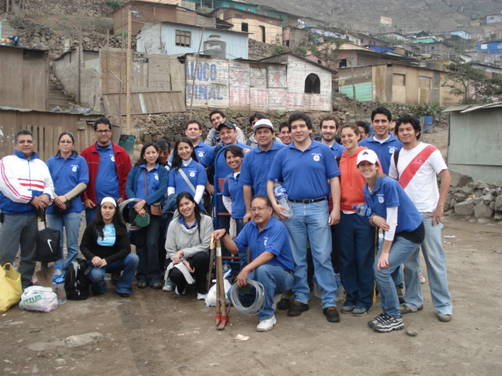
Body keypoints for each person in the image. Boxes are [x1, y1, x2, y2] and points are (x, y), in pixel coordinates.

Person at [267, 112, 341, 323]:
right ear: (289, 132)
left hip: (318, 208)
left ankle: (328, 300)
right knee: (298, 257)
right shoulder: (283, 154)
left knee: (322, 255)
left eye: (302, 126)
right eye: (294, 127)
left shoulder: (323, 151)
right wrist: (274, 204)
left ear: (310, 129)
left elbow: (334, 180)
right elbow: (270, 181)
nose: (298, 130)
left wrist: (335, 208)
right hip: (293, 209)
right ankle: (301, 296)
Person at [389, 115, 453, 322]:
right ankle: (413, 301)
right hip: (406, 218)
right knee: (410, 264)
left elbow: (445, 175)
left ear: (417, 131)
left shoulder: (430, 151)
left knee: (435, 262)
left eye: (409, 129)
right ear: (397, 133)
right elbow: (392, 184)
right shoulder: (396, 155)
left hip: (429, 215)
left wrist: (440, 205)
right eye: (401, 130)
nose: (405, 133)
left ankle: (443, 306)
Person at [357, 149, 424, 333]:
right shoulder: (367, 188)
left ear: (377, 166)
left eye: (369, 164)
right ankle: (389, 311)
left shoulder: (388, 184)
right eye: (362, 165)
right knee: (379, 269)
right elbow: (375, 215)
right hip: (395, 233)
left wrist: (385, 252)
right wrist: (372, 218)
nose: (366, 168)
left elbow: (392, 221)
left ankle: (394, 316)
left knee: (382, 269)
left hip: (410, 232)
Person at [214, 195, 295, 332]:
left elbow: (269, 254)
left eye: (260, 209)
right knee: (233, 295)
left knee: (263, 270)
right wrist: (224, 236)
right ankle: (268, 297)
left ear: (270, 210)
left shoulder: (278, 227)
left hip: (282, 276)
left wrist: (246, 270)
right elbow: (235, 248)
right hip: (258, 274)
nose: (256, 212)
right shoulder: (250, 226)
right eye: (253, 209)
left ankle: (267, 316)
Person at [0, 129, 55, 288]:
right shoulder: (6, 162)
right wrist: (32, 198)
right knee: (6, 254)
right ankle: (6, 288)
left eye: (29, 141)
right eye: (22, 141)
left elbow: (49, 186)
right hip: (12, 215)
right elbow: (8, 187)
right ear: (15, 145)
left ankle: (24, 286)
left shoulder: (41, 164)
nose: (26, 144)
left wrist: (46, 196)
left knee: (29, 255)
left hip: (34, 217)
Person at [337, 124, 377, 316]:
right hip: (344, 214)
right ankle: (350, 296)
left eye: (350, 135)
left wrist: (375, 212)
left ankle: (364, 299)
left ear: (358, 136)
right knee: (346, 258)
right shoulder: (340, 157)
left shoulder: (367, 155)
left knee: (363, 257)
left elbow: (378, 181)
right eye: (343, 136)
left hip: (363, 214)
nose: (346, 139)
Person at [126, 143, 168, 289]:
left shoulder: (162, 171)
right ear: (143, 155)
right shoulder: (136, 170)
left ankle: (154, 275)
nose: (151, 155)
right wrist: (136, 204)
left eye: (154, 152)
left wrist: (145, 202)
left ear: (158, 154)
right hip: (136, 211)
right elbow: (129, 188)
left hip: (154, 212)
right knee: (140, 244)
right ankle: (141, 275)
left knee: (152, 243)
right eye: (148, 153)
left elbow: (162, 189)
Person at [46, 132, 89, 272]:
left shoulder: (80, 161)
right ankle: (58, 270)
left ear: (73, 144)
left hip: (73, 208)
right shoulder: (51, 162)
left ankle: (69, 270)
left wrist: (66, 197)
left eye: (68, 141)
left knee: (72, 244)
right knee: (56, 242)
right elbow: (45, 183)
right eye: (63, 141)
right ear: (58, 144)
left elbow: (83, 183)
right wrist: (56, 198)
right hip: (53, 208)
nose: (65, 144)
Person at [80, 197, 139, 297]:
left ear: (115, 210)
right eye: (105, 207)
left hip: (113, 262)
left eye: (111, 208)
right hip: (98, 263)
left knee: (133, 258)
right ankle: (100, 286)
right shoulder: (92, 225)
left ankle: (123, 286)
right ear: (100, 209)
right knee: (96, 276)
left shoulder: (120, 226)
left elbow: (126, 249)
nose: (107, 210)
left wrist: (107, 260)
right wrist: (93, 257)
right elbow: (83, 246)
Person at [81, 117, 132, 224]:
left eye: (106, 130)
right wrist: (85, 198)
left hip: (115, 204)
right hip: (94, 205)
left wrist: (123, 196)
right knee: (94, 237)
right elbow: (81, 180)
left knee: (116, 236)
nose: (103, 134)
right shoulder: (86, 154)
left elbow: (128, 178)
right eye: (100, 131)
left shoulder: (121, 153)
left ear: (110, 132)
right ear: (95, 132)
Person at [164, 192, 213, 299]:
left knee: (203, 256)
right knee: (176, 274)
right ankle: (181, 287)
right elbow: (170, 249)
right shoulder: (174, 224)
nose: (185, 207)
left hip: (197, 259)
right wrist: (183, 261)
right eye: (181, 205)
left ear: (194, 204)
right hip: (179, 261)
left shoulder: (206, 221)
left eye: (187, 203)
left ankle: (201, 290)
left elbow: (205, 246)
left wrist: (183, 252)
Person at [208, 122, 250, 233]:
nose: (226, 135)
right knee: (224, 231)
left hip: (243, 201)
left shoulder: (247, 150)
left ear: (235, 133)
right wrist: (208, 185)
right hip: (222, 196)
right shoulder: (216, 150)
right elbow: (202, 167)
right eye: (222, 133)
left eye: (229, 132)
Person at [241, 119, 284, 223]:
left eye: (266, 132)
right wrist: (248, 210)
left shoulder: (284, 151)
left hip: (283, 204)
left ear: (273, 134)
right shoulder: (249, 156)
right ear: (255, 137)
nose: (262, 135)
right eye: (259, 133)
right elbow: (246, 185)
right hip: (260, 207)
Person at [360, 107, 402, 174]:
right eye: (377, 121)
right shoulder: (362, 144)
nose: (380, 124)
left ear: (390, 123)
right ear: (372, 123)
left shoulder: (399, 145)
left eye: (383, 121)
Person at [168, 137, 207, 209]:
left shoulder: (199, 168)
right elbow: (171, 191)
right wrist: (176, 206)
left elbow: (200, 190)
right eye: (180, 149)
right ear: (177, 151)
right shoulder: (173, 170)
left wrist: (192, 206)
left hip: (195, 207)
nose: (184, 151)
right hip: (178, 208)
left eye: (186, 147)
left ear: (191, 149)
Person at [222, 145, 246, 235]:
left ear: (241, 157)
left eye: (235, 156)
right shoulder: (228, 179)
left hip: (252, 217)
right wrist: (232, 211)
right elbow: (225, 197)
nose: (232, 160)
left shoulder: (249, 175)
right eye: (229, 157)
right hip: (236, 218)